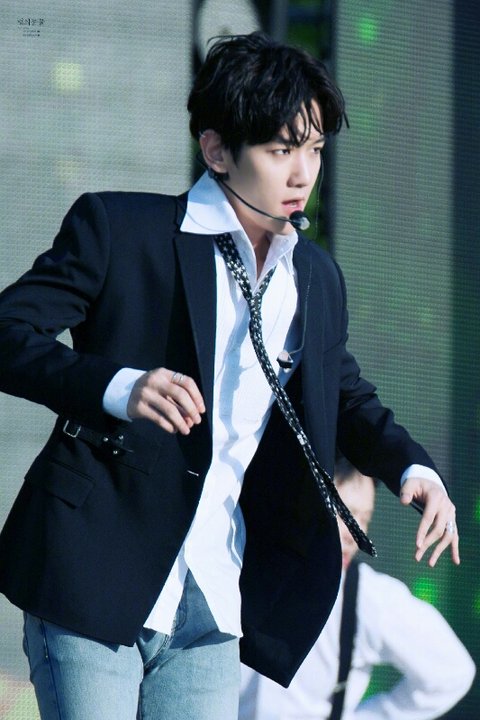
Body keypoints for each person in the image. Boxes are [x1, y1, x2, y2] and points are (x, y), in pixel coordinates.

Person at [0, 31, 459, 720]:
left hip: (215, 594)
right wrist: (119, 387)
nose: (303, 173)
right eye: (281, 150)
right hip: (93, 571)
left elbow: (343, 390)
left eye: (315, 150)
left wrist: (411, 469)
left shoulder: (316, 275)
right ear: (217, 151)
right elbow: (8, 334)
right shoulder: (121, 228)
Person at [239, 457, 475, 719]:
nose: (356, 534)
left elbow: (452, 672)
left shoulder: (368, 597)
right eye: (346, 514)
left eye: (365, 518)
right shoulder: (245, 566)